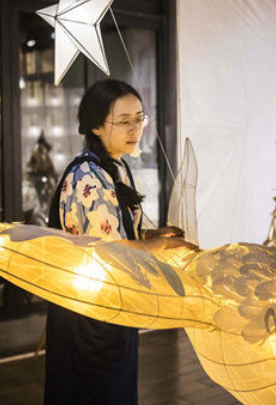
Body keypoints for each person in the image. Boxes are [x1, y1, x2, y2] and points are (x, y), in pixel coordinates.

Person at [43, 79, 188, 405]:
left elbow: (115, 232)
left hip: (113, 309)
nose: (135, 129)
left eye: (139, 119)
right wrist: (160, 248)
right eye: (124, 121)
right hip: (90, 319)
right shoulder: (87, 176)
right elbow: (108, 253)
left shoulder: (115, 166)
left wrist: (152, 236)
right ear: (96, 126)